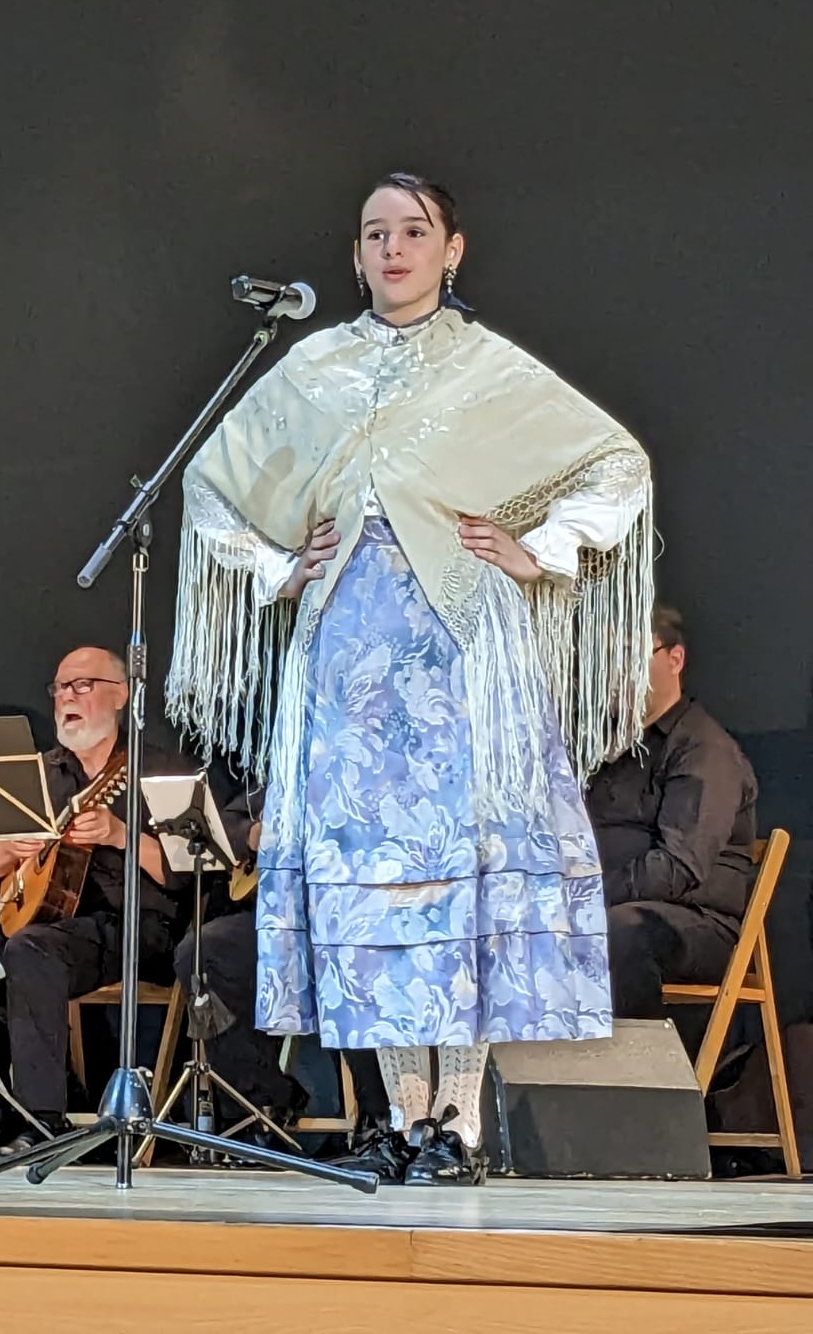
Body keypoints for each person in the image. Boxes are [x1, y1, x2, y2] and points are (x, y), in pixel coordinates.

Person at [166, 172, 654, 1184]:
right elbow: (210, 483)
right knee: (369, 893)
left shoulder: (486, 369)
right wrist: (273, 569)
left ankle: (460, 1123)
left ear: (452, 250)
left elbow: (617, 463)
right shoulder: (315, 368)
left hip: (463, 653)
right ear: (355, 254)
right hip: (347, 660)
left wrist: (544, 549)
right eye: (374, 233)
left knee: (460, 887)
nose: (393, 248)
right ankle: (400, 1113)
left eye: (414, 231)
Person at [0, 645, 186, 1163]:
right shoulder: (36, 775)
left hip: (134, 927)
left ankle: (42, 1121)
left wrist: (121, 835)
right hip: (44, 924)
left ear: (122, 696)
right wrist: (0, 855)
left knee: (31, 950)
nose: (67, 698)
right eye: (60, 688)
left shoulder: (157, 770)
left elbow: (189, 872)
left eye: (82, 686)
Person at [586, 604, 757, 1025]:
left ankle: (633, 1081)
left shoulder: (702, 748)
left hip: (695, 922)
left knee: (616, 932)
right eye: (605, 659)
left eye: (628, 656)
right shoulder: (606, 746)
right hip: (605, 906)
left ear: (674, 659)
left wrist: (584, 900)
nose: (614, 671)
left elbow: (681, 863)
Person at [172, 784, 307, 1132]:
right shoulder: (283, 771)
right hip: (268, 918)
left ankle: (380, 1121)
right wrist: (251, 835)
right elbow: (224, 821)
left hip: (335, 919)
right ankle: (255, 1106)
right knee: (200, 952)